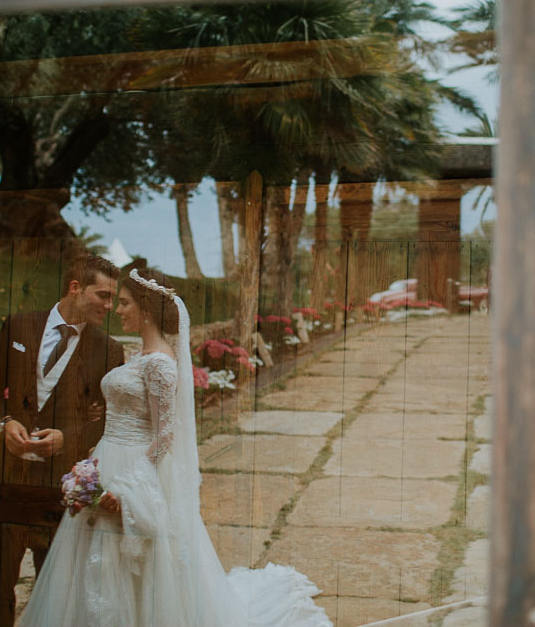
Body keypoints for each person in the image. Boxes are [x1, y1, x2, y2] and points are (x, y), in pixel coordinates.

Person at [17, 261, 331, 627]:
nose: (116, 310)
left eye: (124, 303)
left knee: (129, 561)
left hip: (134, 467)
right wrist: (90, 461)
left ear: (146, 308)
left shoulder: (161, 365)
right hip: (107, 456)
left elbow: (165, 436)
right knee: (95, 556)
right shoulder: (143, 357)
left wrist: (130, 488)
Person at [0, 253, 126, 627]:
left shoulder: (109, 350)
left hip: (60, 487)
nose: (109, 307)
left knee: (55, 592)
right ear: (76, 288)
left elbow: (111, 419)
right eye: (103, 296)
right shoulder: (18, 326)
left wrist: (68, 437)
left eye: (113, 299)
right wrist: (4, 421)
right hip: (9, 481)